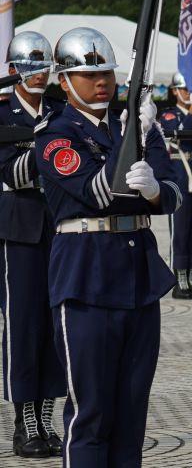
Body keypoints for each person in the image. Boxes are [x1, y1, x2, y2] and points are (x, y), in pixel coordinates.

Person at [35, 27, 183, 468]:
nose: (101, 81)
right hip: (86, 280)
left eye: (107, 71)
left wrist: (155, 190)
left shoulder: (137, 123)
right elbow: (100, 192)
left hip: (138, 278)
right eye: (87, 73)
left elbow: (174, 194)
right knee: (91, 414)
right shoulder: (55, 133)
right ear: (64, 81)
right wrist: (131, 135)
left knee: (131, 414)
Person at [0, 32, 66, 458]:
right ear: (12, 72)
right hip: (19, 229)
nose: (39, 74)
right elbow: (11, 174)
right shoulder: (3, 115)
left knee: (55, 324)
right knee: (23, 326)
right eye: (30, 66)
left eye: (44, 67)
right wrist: (45, 144)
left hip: (59, 228)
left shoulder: (61, 111)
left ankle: (46, 412)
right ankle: (25, 420)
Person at [159, 72, 192, 300]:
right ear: (174, 91)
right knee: (180, 231)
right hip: (180, 176)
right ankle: (178, 282)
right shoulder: (168, 115)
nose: (189, 93)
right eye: (185, 89)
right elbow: (179, 134)